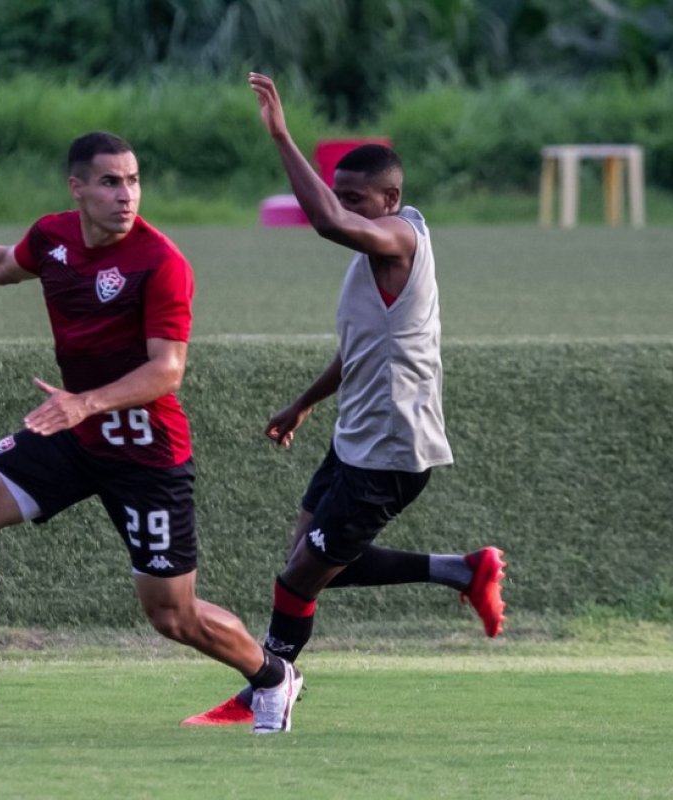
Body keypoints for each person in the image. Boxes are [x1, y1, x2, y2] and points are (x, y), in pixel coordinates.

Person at [0, 131, 300, 734]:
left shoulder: (161, 263)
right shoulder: (53, 237)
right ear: (78, 188)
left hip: (146, 452)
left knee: (171, 617)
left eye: (134, 180)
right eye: (111, 182)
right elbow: (3, 263)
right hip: (75, 432)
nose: (127, 195)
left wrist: (84, 403)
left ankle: (273, 677)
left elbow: (167, 370)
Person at [181, 75, 506, 727]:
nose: (346, 207)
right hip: (356, 439)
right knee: (310, 563)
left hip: (390, 451)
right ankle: (464, 571)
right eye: (344, 196)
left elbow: (327, 221)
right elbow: (359, 347)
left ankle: (266, 689)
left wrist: (280, 135)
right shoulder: (372, 253)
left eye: (359, 199)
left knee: (299, 580)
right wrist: (304, 403)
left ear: (392, 199)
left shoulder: (401, 243)